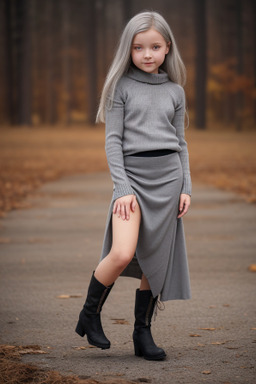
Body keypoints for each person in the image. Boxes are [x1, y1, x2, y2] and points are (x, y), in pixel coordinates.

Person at [75, 11, 191, 361]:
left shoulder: (176, 92)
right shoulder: (120, 87)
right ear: (128, 49)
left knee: (156, 261)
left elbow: (181, 143)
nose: (147, 54)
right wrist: (122, 186)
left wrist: (186, 186)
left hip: (169, 180)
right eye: (139, 47)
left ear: (167, 48)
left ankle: (143, 333)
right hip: (133, 181)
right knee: (123, 252)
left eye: (155, 47)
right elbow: (113, 142)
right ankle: (89, 314)